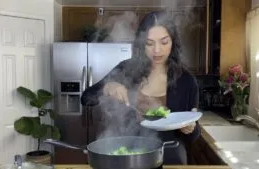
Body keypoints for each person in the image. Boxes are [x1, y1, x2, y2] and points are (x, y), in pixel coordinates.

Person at [81, 11, 201, 165]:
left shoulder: (187, 81)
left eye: (164, 42)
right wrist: (107, 87)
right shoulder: (127, 69)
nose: (157, 50)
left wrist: (191, 128)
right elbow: (85, 98)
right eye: (149, 43)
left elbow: (194, 135)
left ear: (173, 41)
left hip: (170, 157)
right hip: (129, 157)